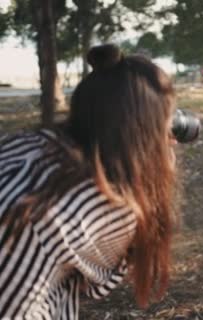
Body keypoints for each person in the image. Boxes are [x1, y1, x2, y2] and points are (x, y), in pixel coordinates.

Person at [0, 44, 180, 319]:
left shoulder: (26, 146)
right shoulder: (99, 202)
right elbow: (101, 280)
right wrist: (160, 162)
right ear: (145, 131)